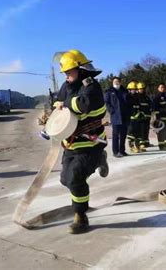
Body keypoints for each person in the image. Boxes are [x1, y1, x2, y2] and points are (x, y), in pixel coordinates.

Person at [55, 49, 109, 234]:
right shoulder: (66, 86)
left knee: (75, 176)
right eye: (65, 72)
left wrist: (66, 104)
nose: (66, 75)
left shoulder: (91, 86)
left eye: (69, 71)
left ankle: (80, 216)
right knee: (65, 179)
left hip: (91, 142)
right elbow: (58, 102)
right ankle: (101, 160)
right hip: (71, 143)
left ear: (81, 69)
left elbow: (86, 105)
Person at [105, 77, 130, 157]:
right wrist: (112, 111)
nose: (116, 83)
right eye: (115, 81)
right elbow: (107, 103)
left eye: (118, 81)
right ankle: (115, 152)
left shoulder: (124, 91)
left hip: (124, 115)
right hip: (116, 116)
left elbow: (129, 101)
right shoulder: (109, 92)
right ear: (112, 83)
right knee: (116, 135)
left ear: (120, 82)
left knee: (123, 134)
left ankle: (122, 151)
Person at [153, 83, 166, 150]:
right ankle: (161, 145)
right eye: (161, 87)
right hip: (161, 117)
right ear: (158, 88)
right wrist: (158, 118)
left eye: (164, 87)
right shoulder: (157, 97)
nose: (163, 88)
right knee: (161, 131)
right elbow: (155, 108)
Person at [136, 82, 152, 151]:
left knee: (146, 129)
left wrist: (152, 109)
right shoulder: (137, 97)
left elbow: (150, 104)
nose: (141, 90)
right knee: (141, 130)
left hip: (147, 116)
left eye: (142, 89)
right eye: (140, 89)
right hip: (141, 117)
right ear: (138, 89)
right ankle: (141, 143)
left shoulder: (146, 97)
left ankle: (146, 142)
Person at [126, 81, 140, 153]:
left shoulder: (137, 96)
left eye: (135, 89)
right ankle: (131, 147)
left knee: (137, 133)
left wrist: (139, 113)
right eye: (133, 89)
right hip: (130, 118)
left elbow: (138, 106)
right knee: (131, 133)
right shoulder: (127, 96)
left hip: (137, 117)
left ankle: (137, 146)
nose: (134, 90)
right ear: (129, 89)